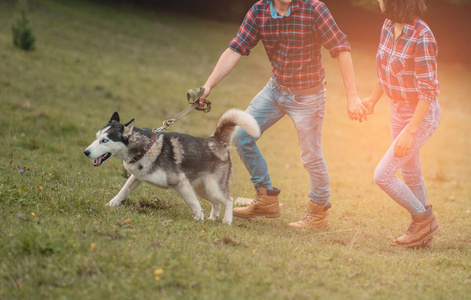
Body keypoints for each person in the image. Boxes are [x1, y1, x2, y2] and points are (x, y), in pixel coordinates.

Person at [194, 0, 367, 228]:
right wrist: (208, 86)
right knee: (240, 135)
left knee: (311, 156)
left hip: (308, 97)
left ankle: (318, 214)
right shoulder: (259, 11)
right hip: (275, 91)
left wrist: (352, 96)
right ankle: (266, 198)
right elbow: (236, 48)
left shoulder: (314, 9)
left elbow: (341, 48)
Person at [362, 0, 441, 247]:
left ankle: (424, 219)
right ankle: (423, 236)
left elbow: (428, 91)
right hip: (397, 111)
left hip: (420, 116)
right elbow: (384, 71)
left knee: (382, 175)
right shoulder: (387, 26)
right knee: (410, 172)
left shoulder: (423, 35)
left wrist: (410, 131)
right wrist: (373, 100)